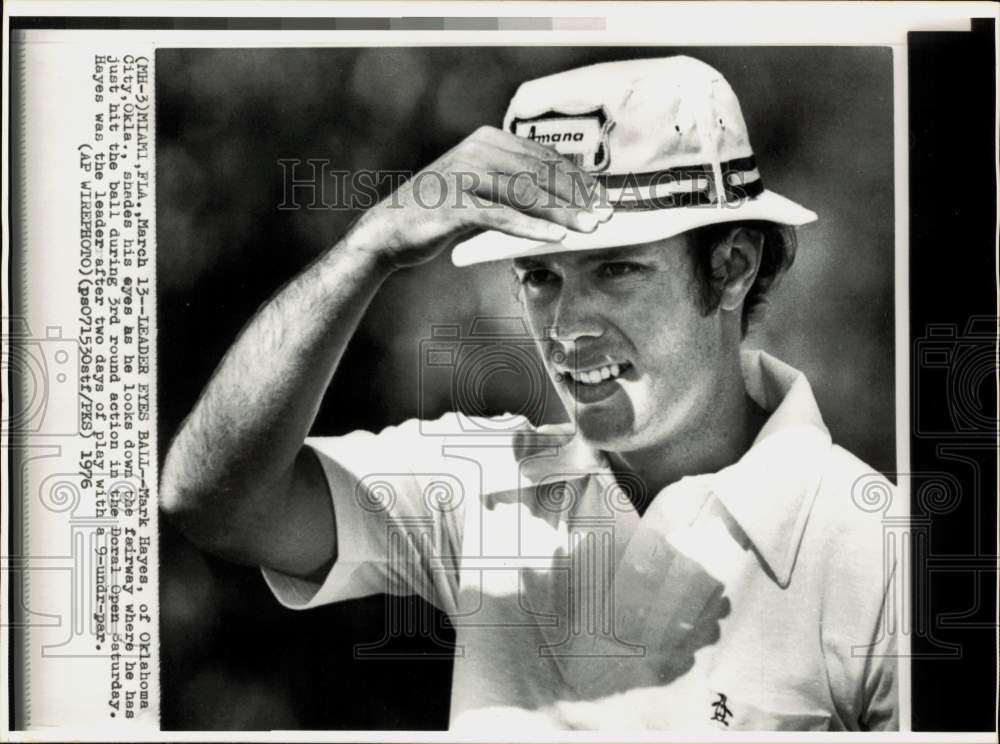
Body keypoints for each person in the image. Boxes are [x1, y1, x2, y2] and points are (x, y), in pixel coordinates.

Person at [160, 55, 899, 731]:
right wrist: (370, 247)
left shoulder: (880, 551)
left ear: (733, 266)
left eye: (615, 270)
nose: (568, 326)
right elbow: (211, 500)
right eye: (540, 277)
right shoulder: (482, 482)